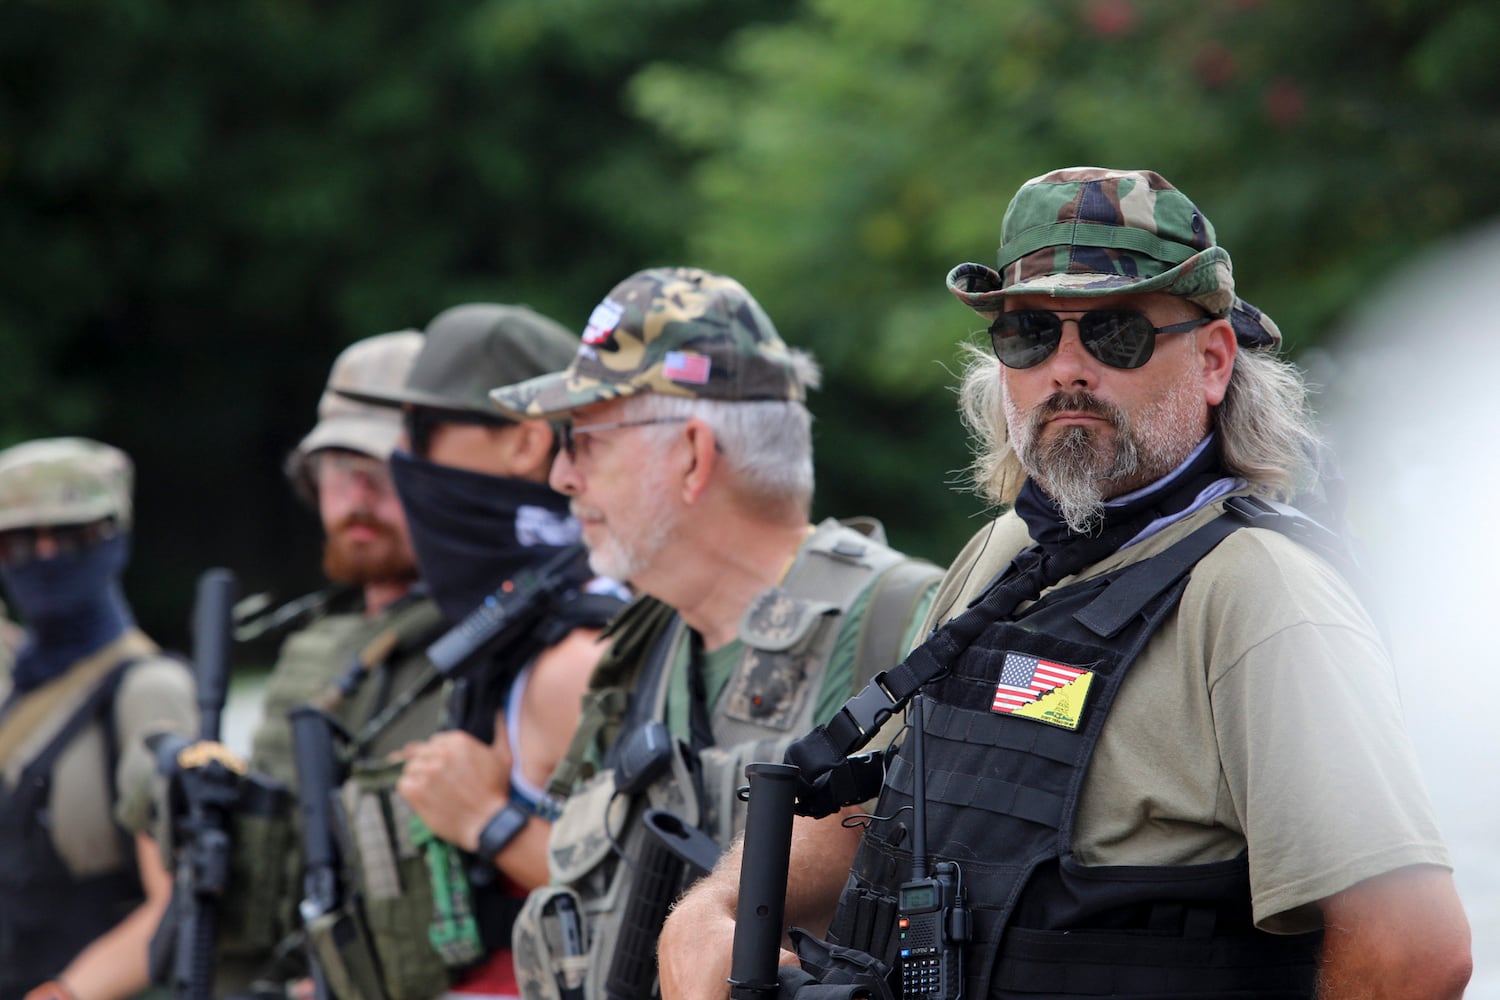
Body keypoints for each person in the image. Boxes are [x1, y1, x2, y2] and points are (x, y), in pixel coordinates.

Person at [656, 167, 1473, 1000]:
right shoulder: (1008, 550)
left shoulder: (1262, 594)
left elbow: (1412, 953)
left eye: (1115, 334)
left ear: (1215, 361)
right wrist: (715, 909)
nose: (1067, 369)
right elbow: (870, 801)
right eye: (1030, 335)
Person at [488, 266, 944, 1000]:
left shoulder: (910, 624)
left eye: (584, 440)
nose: (561, 476)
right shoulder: (643, 651)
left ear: (694, 455)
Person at [334, 303, 623, 1000]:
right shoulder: (522, 627)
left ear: (524, 444)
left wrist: (484, 821)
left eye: (418, 431)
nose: (400, 458)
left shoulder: (580, 653)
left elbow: (656, 906)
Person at [201, 329, 435, 996]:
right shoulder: (312, 643)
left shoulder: (487, 642)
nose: (357, 498)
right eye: (338, 468)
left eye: (383, 471)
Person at [0, 437, 197, 1000]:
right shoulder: (19, 685)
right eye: (16, 542)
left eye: (70, 536)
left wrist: (66, 993)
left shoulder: (146, 690)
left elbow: (180, 901)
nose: (44, 556)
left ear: (114, 537)